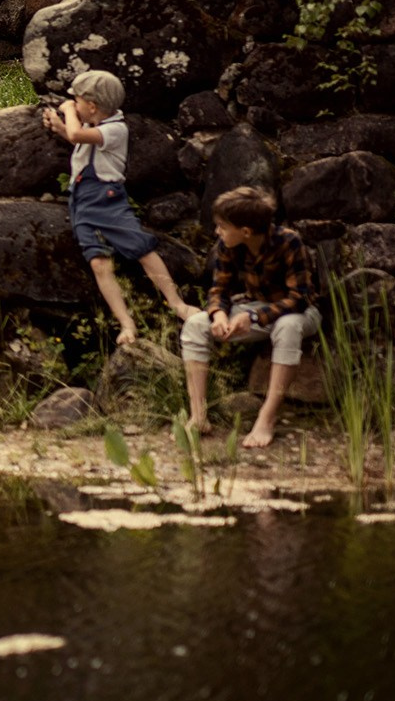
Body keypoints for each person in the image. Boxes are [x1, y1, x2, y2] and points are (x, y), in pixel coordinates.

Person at [41, 69, 197, 347]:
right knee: (99, 262)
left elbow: (77, 136)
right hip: (83, 200)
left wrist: (66, 111)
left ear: (91, 106)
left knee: (141, 248)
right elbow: (77, 140)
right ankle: (126, 323)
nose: (72, 105)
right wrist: (59, 127)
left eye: (76, 101)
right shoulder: (93, 127)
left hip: (106, 196)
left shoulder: (115, 129)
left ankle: (176, 303)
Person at [182, 186, 318, 449]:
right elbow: (219, 289)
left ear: (245, 231)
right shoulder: (228, 245)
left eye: (222, 226)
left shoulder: (289, 241)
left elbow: (300, 298)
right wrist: (220, 315)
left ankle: (266, 418)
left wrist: (254, 316)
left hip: (298, 312)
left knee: (288, 327)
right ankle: (198, 416)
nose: (217, 231)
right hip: (254, 308)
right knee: (196, 324)